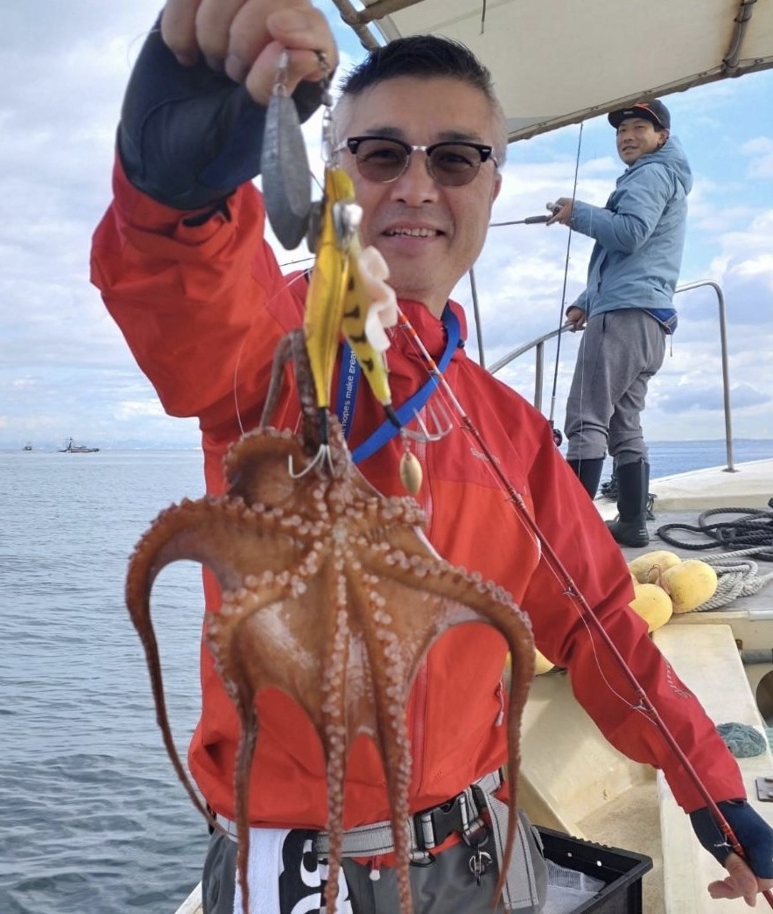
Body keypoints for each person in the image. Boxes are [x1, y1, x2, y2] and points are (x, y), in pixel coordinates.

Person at [91, 3, 773, 911]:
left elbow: (599, 627)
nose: (416, 186)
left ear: (491, 186)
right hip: (306, 875)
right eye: (381, 155)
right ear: (334, 175)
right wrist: (172, 201)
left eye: (454, 159)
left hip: (481, 846)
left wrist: (715, 794)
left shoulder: (511, 432)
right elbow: (190, 304)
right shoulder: (269, 357)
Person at [547, 99, 690, 548]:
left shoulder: (650, 173)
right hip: (651, 319)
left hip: (623, 316)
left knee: (586, 418)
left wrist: (577, 212)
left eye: (639, 128)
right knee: (626, 424)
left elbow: (629, 234)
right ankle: (631, 523)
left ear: (661, 136)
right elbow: (633, 259)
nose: (627, 136)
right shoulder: (667, 175)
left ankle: (569, 534)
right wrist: (586, 302)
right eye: (621, 130)